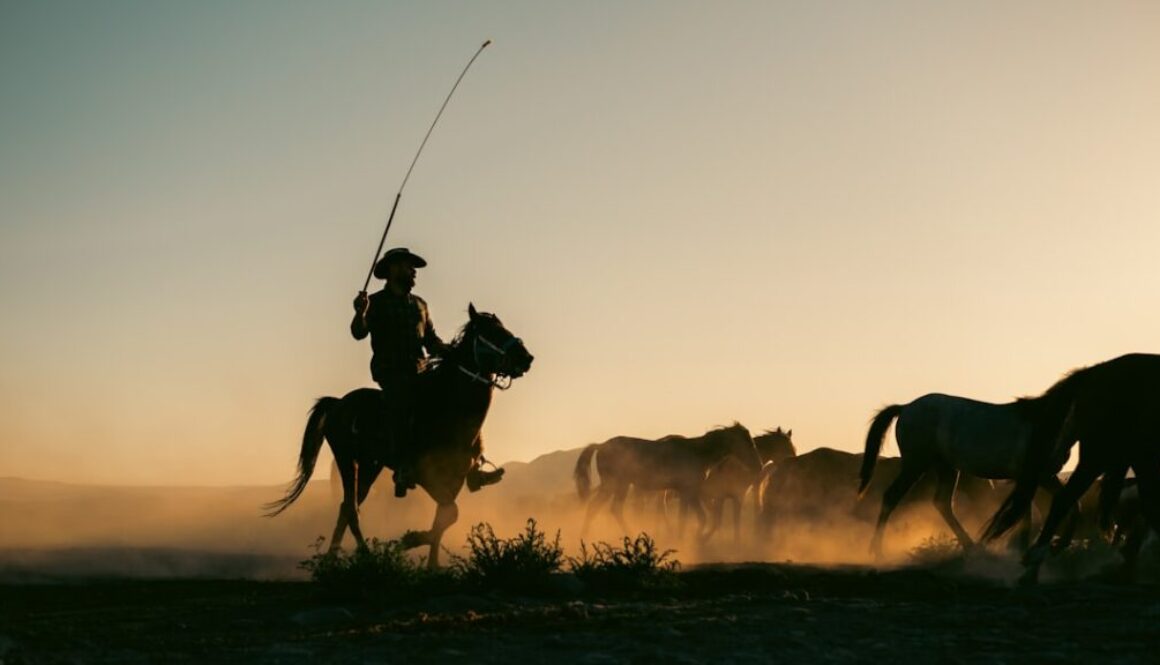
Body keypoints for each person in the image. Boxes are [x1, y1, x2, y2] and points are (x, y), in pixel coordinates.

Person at [351, 247, 446, 497]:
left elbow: (432, 340)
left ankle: (473, 462)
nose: (413, 271)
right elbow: (358, 332)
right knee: (403, 402)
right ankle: (403, 467)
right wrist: (360, 312)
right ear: (392, 269)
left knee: (455, 395)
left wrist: (451, 350)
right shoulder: (375, 303)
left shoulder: (420, 305)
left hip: (421, 370)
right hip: (391, 372)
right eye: (408, 266)